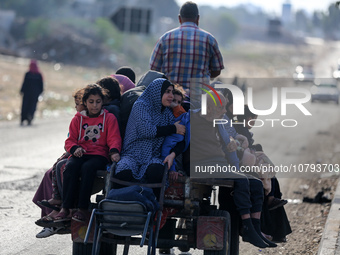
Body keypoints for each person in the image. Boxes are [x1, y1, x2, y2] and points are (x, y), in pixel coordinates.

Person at [191, 90, 277, 248]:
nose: (225, 111)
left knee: (256, 183)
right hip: (203, 165)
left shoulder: (219, 122)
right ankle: (247, 226)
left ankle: (254, 229)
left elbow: (229, 148)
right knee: (242, 181)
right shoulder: (190, 118)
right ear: (208, 108)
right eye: (221, 108)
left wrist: (237, 169)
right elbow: (176, 140)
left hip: (220, 164)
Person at [54, 84, 122, 222]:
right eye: (91, 102)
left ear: (103, 102)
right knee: (70, 167)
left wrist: (114, 152)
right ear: (85, 102)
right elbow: (70, 140)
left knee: (87, 168)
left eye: (98, 102)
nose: (95, 105)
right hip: (81, 153)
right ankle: (66, 208)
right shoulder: (77, 119)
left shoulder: (109, 119)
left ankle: (83, 208)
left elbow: (114, 138)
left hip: (99, 155)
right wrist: (75, 148)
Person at [114, 78, 186, 198]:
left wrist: (173, 154)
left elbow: (180, 137)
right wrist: (173, 128)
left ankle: (152, 209)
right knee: (124, 171)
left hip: (153, 157)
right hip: (132, 155)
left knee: (157, 170)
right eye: (167, 92)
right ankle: (121, 206)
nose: (171, 96)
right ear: (157, 92)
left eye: (172, 92)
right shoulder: (141, 106)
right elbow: (146, 130)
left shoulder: (167, 113)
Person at [33, 88, 86, 238]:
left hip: (84, 154)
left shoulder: (94, 118)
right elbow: (70, 139)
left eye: (78, 104)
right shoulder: (78, 118)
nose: (76, 107)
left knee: (60, 168)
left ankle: (58, 212)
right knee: (49, 173)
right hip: (74, 151)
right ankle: (51, 216)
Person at [149, 1, 224, 93]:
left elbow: (153, 68)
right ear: (198, 19)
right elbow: (217, 70)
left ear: (179, 19)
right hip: (198, 98)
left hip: (170, 97)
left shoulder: (165, 38)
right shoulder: (209, 39)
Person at [20, 59, 44, 126]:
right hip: (34, 94)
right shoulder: (38, 75)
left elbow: (24, 84)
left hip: (27, 94)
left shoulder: (28, 74)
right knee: (31, 107)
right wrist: (41, 92)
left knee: (26, 106)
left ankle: (24, 119)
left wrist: (22, 90)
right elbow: (41, 85)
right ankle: (28, 118)